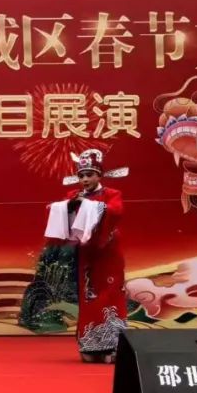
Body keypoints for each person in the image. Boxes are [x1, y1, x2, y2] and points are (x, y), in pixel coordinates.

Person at [63, 149, 129, 363]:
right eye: (81, 175)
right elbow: (61, 216)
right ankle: (90, 344)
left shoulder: (112, 194)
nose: (85, 179)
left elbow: (116, 211)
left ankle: (113, 345)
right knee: (89, 296)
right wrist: (71, 206)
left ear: (99, 175)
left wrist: (90, 205)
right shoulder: (73, 196)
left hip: (108, 252)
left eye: (89, 175)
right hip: (87, 253)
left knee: (111, 294)